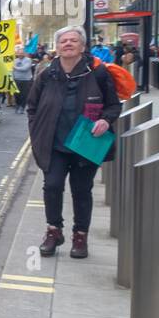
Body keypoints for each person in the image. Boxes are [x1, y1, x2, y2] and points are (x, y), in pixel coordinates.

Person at [27, 25, 121, 260]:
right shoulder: (47, 74)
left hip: (85, 143)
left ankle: (80, 235)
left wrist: (106, 121)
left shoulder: (98, 73)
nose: (67, 44)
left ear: (83, 46)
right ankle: (53, 230)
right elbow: (32, 107)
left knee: (81, 191)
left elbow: (113, 105)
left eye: (73, 40)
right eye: (63, 41)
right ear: (57, 47)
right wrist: (37, 132)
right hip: (54, 144)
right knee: (52, 186)